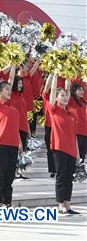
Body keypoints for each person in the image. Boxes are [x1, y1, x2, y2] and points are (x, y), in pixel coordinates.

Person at [0, 66, 23, 207]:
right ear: (0, 92)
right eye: (6, 89)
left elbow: (15, 127)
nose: (9, 91)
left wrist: (13, 64)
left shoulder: (11, 106)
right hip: (0, 145)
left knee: (9, 177)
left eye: (9, 89)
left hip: (13, 145)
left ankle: (7, 203)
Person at [44, 76, 79, 215]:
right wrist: (56, 73)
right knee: (61, 177)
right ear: (56, 98)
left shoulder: (69, 113)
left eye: (66, 95)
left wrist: (77, 152)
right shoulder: (54, 109)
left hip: (71, 150)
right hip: (60, 148)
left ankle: (68, 205)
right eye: (62, 95)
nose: (65, 97)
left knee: (69, 179)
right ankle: (60, 205)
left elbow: (74, 135)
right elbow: (52, 89)